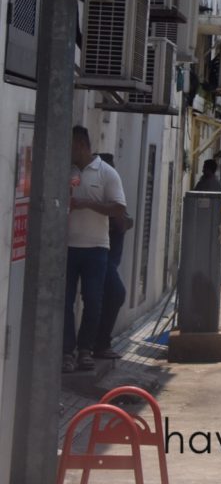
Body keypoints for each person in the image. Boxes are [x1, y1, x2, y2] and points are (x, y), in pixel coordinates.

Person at [63, 127, 127, 373]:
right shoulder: (66, 169)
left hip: (96, 249)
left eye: (70, 145)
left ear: (80, 144)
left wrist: (86, 203)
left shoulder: (106, 173)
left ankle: (85, 349)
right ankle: (67, 352)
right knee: (65, 302)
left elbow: (119, 209)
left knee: (93, 301)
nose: (67, 150)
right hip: (68, 247)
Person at [93, 154, 134, 360]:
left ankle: (99, 343)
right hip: (101, 256)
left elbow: (125, 221)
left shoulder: (112, 198)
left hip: (108, 259)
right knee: (116, 294)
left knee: (104, 298)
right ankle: (99, 344)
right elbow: (121, 222)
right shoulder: (102, 198)